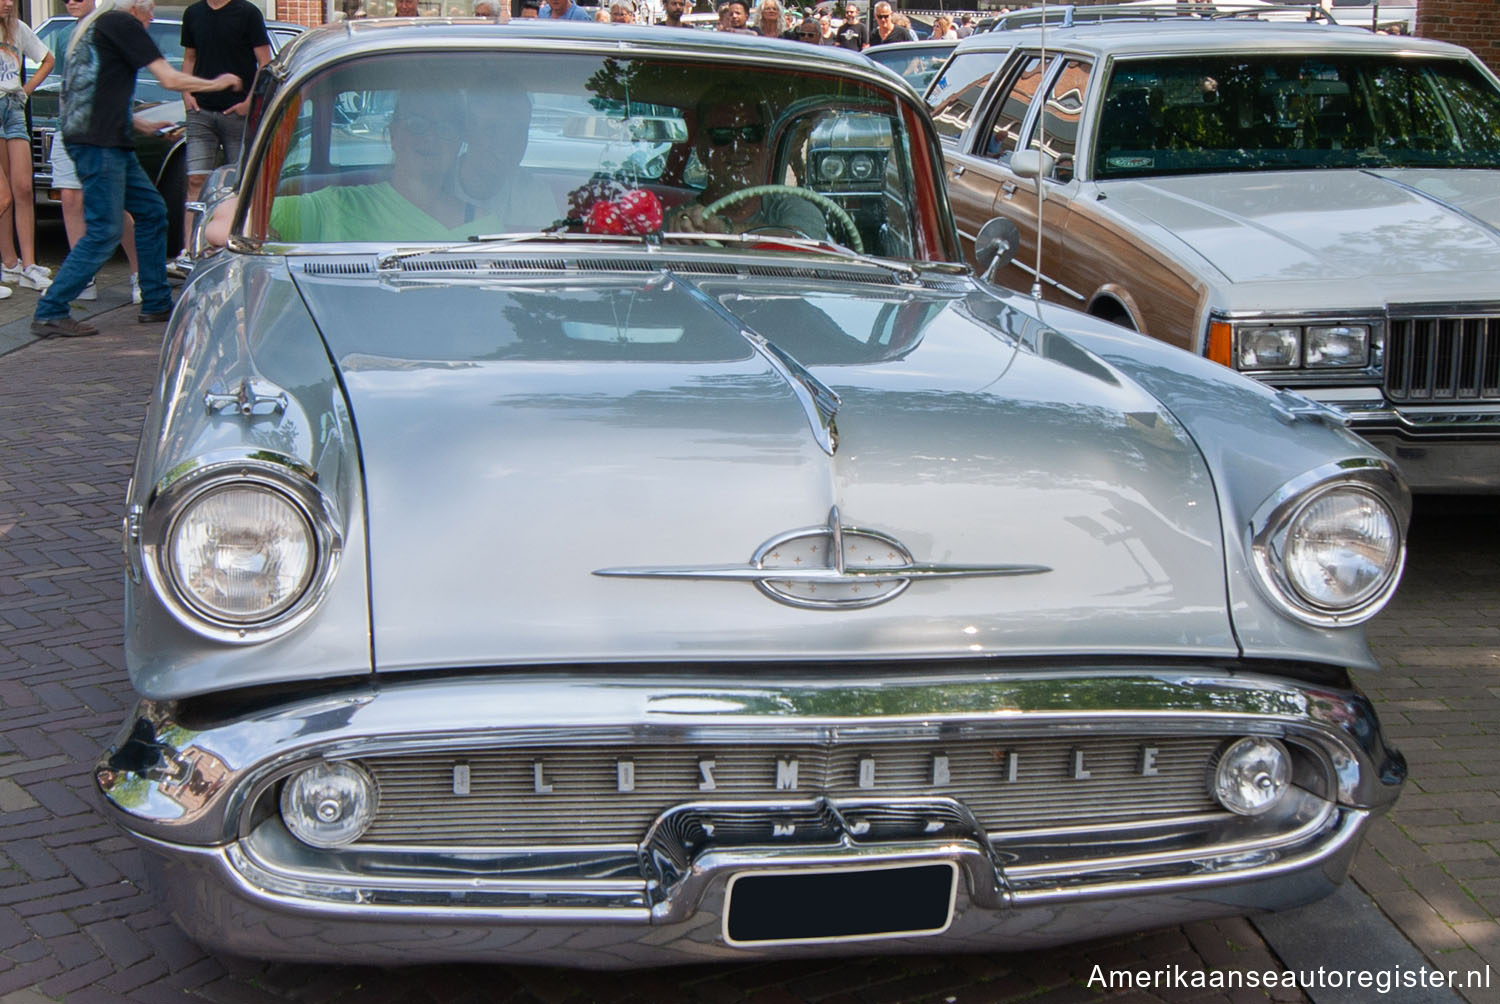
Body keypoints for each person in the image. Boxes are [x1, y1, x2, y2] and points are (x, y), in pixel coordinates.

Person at [31, 0, 240, 339]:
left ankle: (155, 301)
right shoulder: (122, 24)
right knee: (104, 230)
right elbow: (170, 79)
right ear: (134, 9)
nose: (152, 17)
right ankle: (51, 309)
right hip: (101, 146)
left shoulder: (96, 28)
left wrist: (147, 128)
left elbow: (96, 98)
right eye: (149, 10)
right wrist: (220, 83)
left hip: (101, 141)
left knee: (152, 212)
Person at [179, 0, 269, 259]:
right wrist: (187, 94)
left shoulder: (248, 12)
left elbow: (264, 61)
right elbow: (190, 58)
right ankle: (189, 249)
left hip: (237, 113)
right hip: (200, 111)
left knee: (239, 182)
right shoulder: (193, 13)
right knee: (195, 178)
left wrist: (250, 102)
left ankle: (236, 243)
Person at [669, 89, 825, 241]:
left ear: (765, 145)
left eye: (751, 133)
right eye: (722, 135)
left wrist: (724, 230)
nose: (739, 147)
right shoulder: (679, 225)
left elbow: (801, 244)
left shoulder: (793, 209)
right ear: (703, 150)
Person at [0, 0, 55, 294]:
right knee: (3, 194)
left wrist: (27, 88)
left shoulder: (18, 29)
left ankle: (28, 264)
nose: (8, 3)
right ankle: (9, 261)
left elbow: (48, 59)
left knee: (23, 187)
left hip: (14, 107)